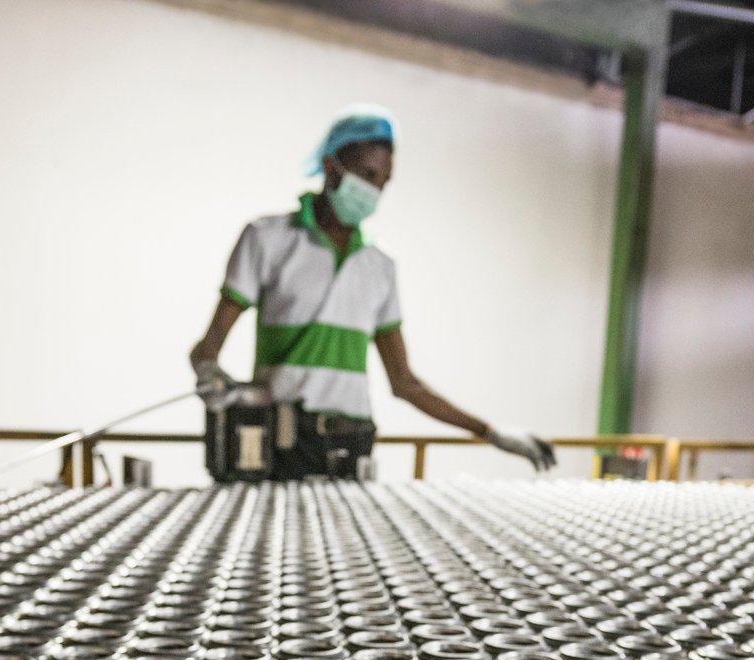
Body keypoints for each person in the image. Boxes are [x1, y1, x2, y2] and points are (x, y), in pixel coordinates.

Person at [189, 104, 557, 481]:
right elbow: (208, 344)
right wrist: (209, 371)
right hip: (283, 445)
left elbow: (404, 382)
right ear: (332, 168)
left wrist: (490, 431)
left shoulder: (379, 267)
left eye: (383, 180)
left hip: (352, 447)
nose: (375, 189)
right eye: (367, 174)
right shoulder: (268, 239)